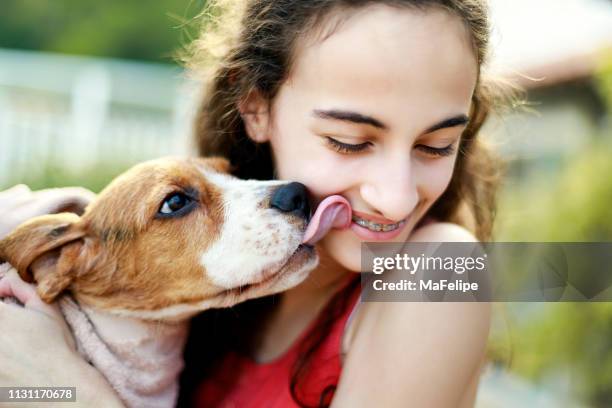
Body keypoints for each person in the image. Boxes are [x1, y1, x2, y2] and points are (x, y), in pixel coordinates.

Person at [0, 0, 518, 406]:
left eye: (436, 146)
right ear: (255, 107)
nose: (397, 196)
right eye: (349, 140)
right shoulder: (216, 295)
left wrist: (68, 391)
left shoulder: (443, 270)